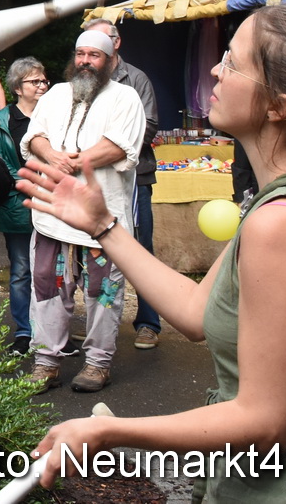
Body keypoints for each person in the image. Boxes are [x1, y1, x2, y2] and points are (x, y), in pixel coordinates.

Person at [21, 4, 286, 499]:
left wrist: (105, 432)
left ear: (279, 106)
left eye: (233, 62)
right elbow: (198, 313)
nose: (215, 70)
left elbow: (263, 423)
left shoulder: (282, 224)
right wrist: (104, 227)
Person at [20, 30, 146, 393]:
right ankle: (46, 363)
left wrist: (74, 162)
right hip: (51, 215)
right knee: (46, 287)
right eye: (80, 54)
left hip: (100, 218)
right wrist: (51, 155)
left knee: (102, 292)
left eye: (94, 55)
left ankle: (97, 363)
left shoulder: (125, 97)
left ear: (109, 60)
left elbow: (120, 147)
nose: (85, 62)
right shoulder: (56, 94)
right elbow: (36, 135)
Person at [83, 17, 164, 349]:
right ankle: (95, 326)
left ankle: (148, 322)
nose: (89, 56)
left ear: (115, 43)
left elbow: (151, 125)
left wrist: (108, 145)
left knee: (139, 248)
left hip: (134, 178)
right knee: (89, 251)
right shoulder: (83, 81)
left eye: (99, 43)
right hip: (91, 179)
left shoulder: (136, 79)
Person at [0, 56, 48, 354]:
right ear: (17, 87)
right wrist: (28, 184)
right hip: (17, 203)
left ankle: (51, 332)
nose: (41, 86)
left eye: (43, 81)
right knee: (22, 270)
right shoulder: (1, 121)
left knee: (52, 271)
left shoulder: (53, 115)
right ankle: (24, 333)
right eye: (34, 81)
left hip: (52, 200)